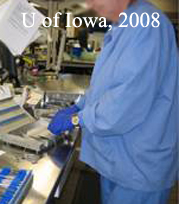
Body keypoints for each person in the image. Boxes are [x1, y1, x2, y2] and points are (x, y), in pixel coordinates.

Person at [48, 0, 178, 203]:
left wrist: (76, 119)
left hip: (138, 165)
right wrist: (80, 105)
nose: (92, 4)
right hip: (120, 159)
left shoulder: (147, 25)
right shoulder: (124, 25)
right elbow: (108, 84)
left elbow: (127, 102)